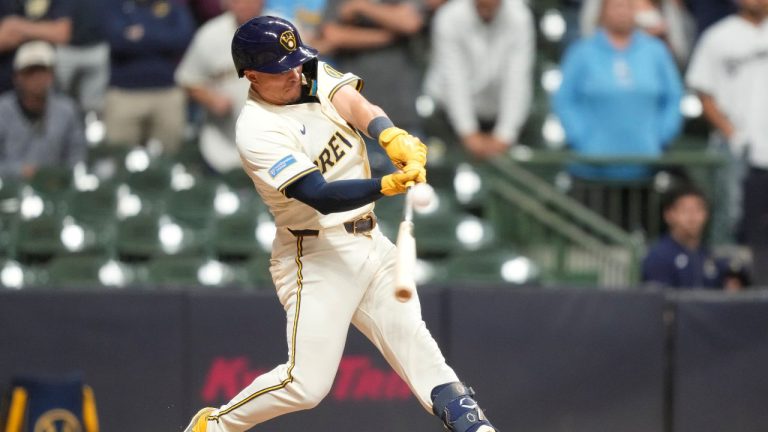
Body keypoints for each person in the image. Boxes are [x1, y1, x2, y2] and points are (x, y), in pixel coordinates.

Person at [184, 16, 497, 432]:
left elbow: (353, 103)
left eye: (295, 61)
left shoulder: (307, 72)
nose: (294, 72)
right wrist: (386, 185)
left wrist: (389, 135)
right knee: (305, 385)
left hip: (371, 243)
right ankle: (214, 426)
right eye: (281, 68)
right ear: (252, 76)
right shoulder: (257, 129)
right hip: (316, 254)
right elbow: (320, 195)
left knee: (422, 355)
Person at [685, 0, 768, 283]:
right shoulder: (718, 36)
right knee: (729, 220)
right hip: (735, 148)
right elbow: (703, 92)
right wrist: (731, 132)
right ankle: (725, 286)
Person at [554, 0, 684, 180]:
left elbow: (674, 97)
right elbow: (564, 99)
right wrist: (581, 138)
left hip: (646, 166)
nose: (622, 12)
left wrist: (660, 136)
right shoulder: (581, 52)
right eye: (616, 6)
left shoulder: (656, 51)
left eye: (627, 6)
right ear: (602, 12)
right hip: (591, 169)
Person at [320, 0, 425, 174]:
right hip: (354, 119)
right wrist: (390, 34)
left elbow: (409, 22)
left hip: (401, 115)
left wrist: (361, 6)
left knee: (409, 184)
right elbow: (333, 35)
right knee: (358, 189)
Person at [423, 0, 534, 160]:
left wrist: (505, 134)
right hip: (447, 114)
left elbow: (517, 78)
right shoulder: (449, 17)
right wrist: (468, 132)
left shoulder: (519, 16)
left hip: (497, 112)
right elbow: (454, 79)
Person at [175, 0, 264, 174]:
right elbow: (187, 79)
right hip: (224, 150)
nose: (244, 5)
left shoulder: (285, 30)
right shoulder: (210, 34)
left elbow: (311, 75)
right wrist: (210, 98)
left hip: (278, 153)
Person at [103, 0, 195, 153]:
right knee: (119, 155)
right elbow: (117, 41)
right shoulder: (115, 5)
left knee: (169, 156)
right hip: (124, 94)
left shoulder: (173, 5)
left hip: (167, 92)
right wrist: (161, 34)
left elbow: (183, 39)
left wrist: (143, 34)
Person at [0, 41, 86, 179]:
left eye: (42, 71)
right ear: (17, 77)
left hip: (55, 185)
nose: (37, 78)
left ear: (51, 75)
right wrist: (19, 171)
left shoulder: (66, 110)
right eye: (30, 72)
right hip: (9, 186)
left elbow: (77, 158)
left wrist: (58, 176)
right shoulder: (3, 110)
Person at [642, 185, 746, 290]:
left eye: (698, 209)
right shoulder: (659, 256)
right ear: (669, 215)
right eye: (685, 210)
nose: (692, 217)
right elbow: (658, 298)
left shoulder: (709, 256)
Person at [0, 0, 72, 93]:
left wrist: (17, 27)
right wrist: (39, 31)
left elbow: (61, 34)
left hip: (43, 68)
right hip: (5, 78)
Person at [54, 0, 110, 117]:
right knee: (59, 98)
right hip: (66, 48)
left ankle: (90, 125)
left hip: (97, 45)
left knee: (93, 106)